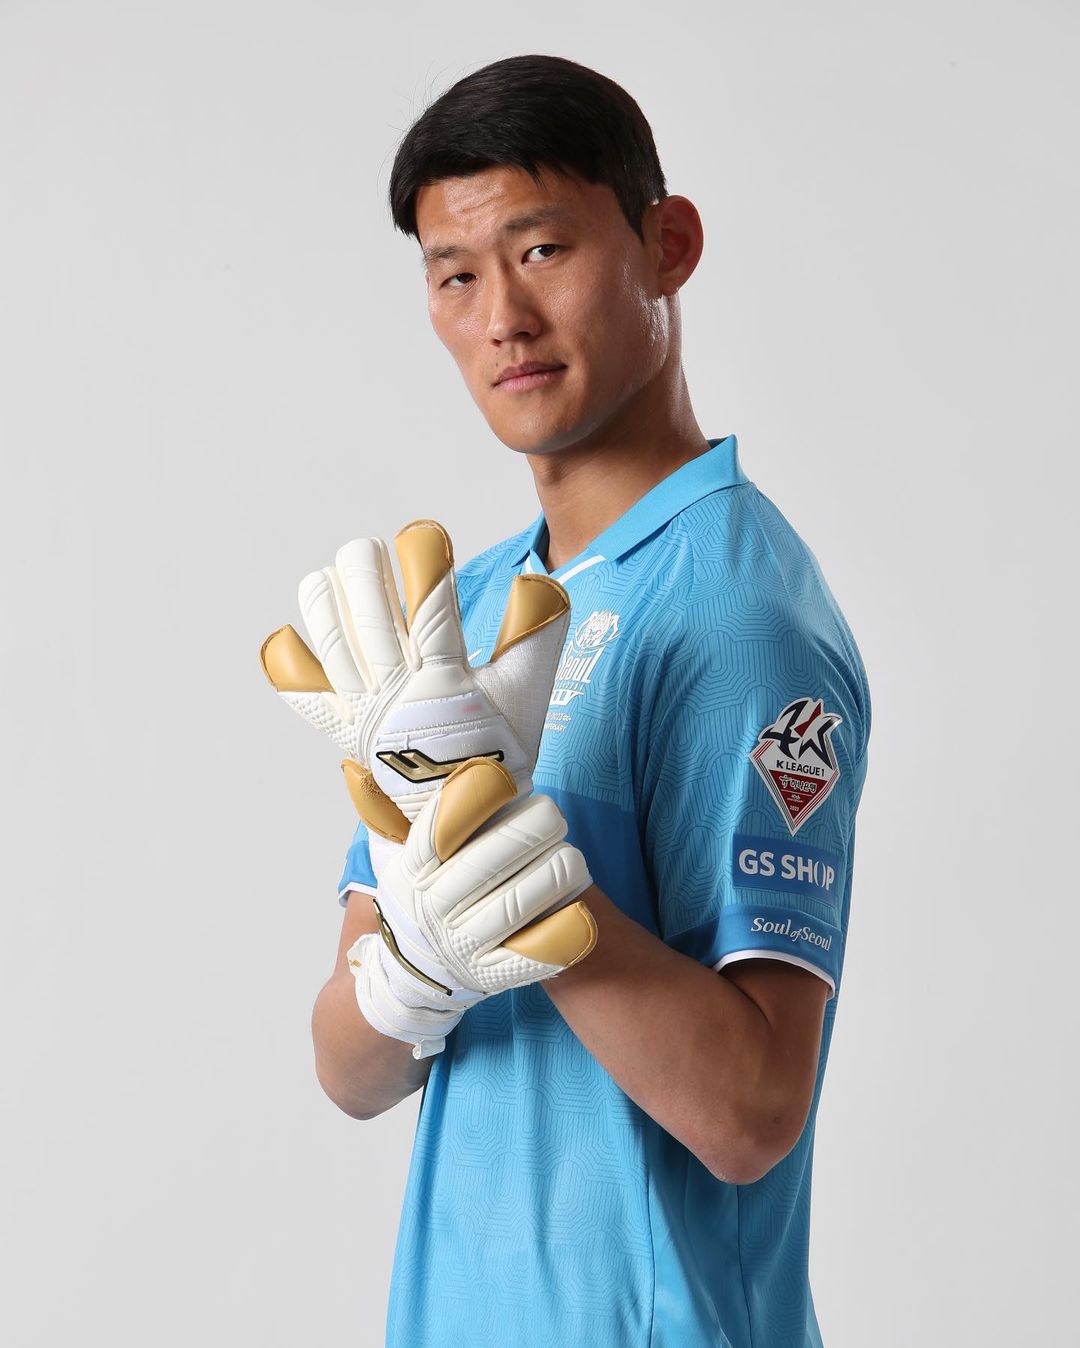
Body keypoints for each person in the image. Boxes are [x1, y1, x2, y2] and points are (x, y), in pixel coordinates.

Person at [309, 53, 871, 1348]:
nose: (502, 316)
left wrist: (528, 892)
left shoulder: (742, 618)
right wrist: (413, 969)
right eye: (455, 275)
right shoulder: (460, 618)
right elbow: (347, 1070)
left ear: (667, 246)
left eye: (542, 249)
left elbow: (751, 1115)